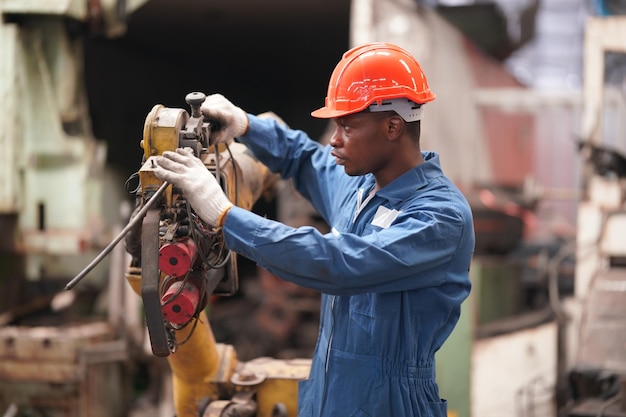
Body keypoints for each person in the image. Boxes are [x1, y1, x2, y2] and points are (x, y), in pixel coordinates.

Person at [153, 42, 475, 417]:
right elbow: (304, 159)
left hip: (389, 404)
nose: (335, 140)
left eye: (347, 126)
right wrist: (245, 124)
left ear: (392, 126)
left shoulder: (439, 218)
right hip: (327, 397)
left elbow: (339, 264)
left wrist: (223, 215)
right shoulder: (361, 189)